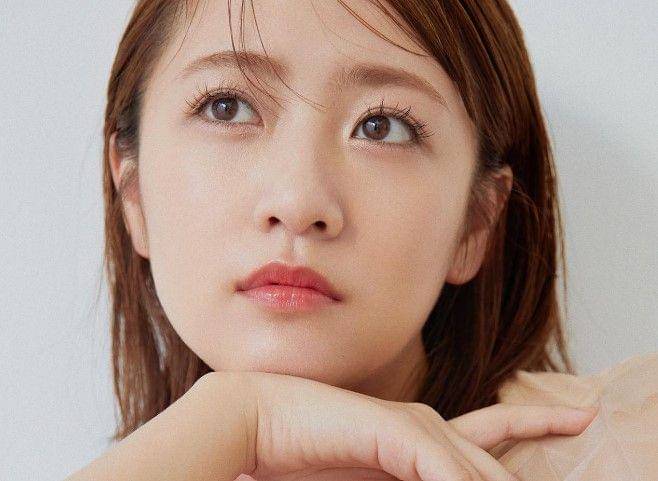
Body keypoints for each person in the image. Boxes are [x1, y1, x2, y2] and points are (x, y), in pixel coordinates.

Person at [64, 1, 656, 480]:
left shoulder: (620, 452)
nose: (299, 203)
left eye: (382, 126)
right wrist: (240, 421)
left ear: (475, 222)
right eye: (228, 108)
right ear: (132, 191)